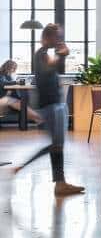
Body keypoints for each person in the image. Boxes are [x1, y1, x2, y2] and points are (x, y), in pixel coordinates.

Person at [13, 24, 84, 196]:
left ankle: (60, 183)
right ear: (48, 37)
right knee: (56, 145)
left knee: (56, 145)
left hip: (54, 105)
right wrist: (61, 55)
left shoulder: (44, 54)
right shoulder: (41, 54)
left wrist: (60, 55)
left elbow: (52, 67)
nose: (59, 40)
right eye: (57, 37)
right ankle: (26, 168)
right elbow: (48, 69)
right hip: (51, 106)